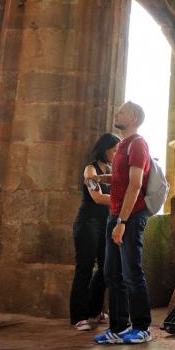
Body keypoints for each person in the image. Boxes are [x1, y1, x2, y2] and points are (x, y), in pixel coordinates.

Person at [93, 101, 153, 345]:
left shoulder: (138, 144)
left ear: (134, 118)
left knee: (131, 273)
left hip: (129, 216)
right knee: (111, 273)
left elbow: (136, 184)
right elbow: (122, 179)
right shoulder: (123, 147)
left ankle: (141, 327)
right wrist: (102, 178)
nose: (116, 113)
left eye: (122, 111)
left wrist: (122, 221)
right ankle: (118, 328)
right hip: (115, 216)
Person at [69, 132, 120, 331]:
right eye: (114, 150)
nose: (116, 154)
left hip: (105, 223)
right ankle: (79, 317)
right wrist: (124, 201)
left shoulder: (110, 169)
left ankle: (95, 309)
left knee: (106, 267)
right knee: (85, 268)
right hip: (87, 223)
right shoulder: (90, 169)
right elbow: (98, 198)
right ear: (104, 149)